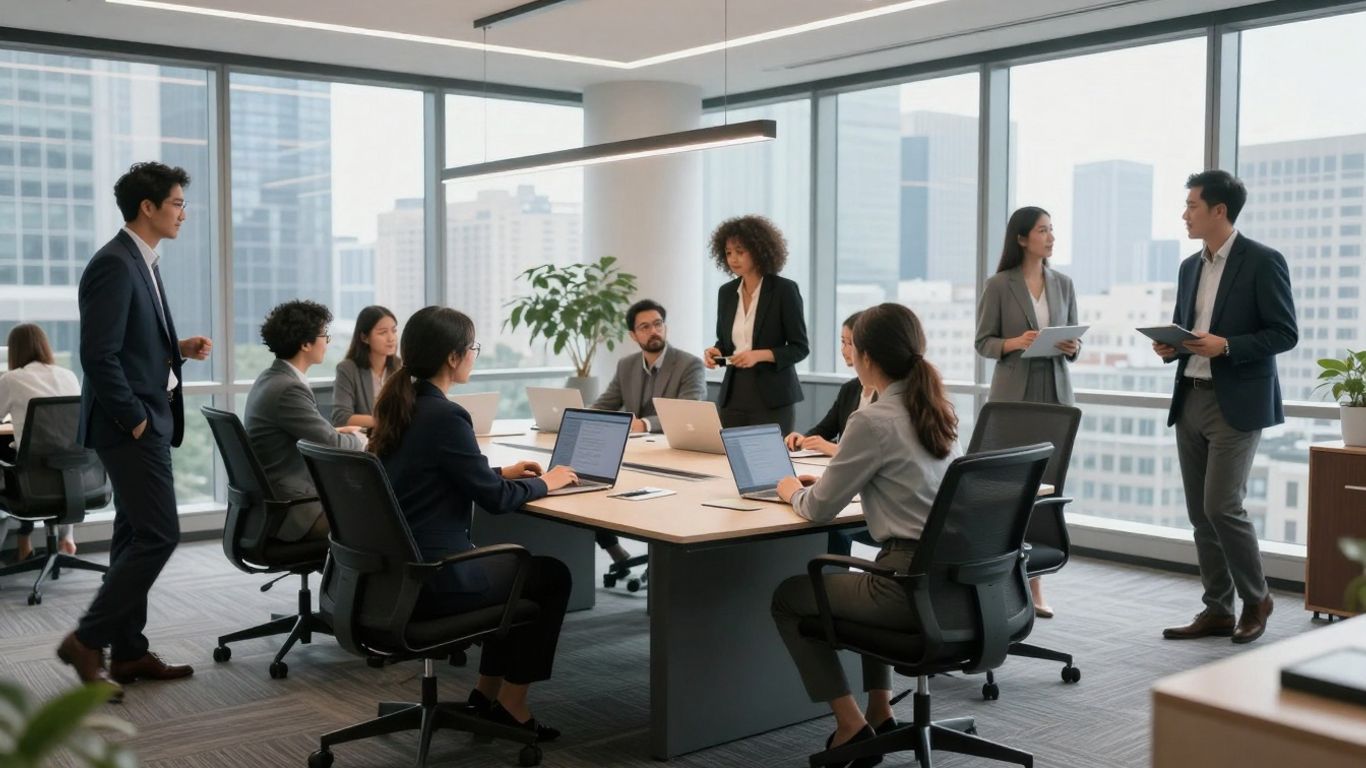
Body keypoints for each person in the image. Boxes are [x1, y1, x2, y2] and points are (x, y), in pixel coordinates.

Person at [368, 305, 578, 739]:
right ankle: (513, 705)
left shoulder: (403, 407)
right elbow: (496, 502)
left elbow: (429, 473)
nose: (474, 356)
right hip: (433, 578)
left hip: (391, 577)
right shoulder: (445, 415)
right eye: (473, 349)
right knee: (548, 575)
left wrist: (501, 472)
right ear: (453, 357)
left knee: (515, 571)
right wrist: (550, 482)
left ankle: (485, 696)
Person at [770, 303, 961, 762]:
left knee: (789, 597)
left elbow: (816, 512)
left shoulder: (872, 419)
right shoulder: (937, 410)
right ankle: (880, 711)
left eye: (851, 346)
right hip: (956, 584)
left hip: (905, 587)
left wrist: (789, 489)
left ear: (867, 357)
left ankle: (850, 725)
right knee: (875, 567)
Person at [59, 162, 212, 701]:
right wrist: (136, 416)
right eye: (176, 204)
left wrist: (178, 350)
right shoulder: (115, 264)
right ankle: (86, 640)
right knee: (159, 534)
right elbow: (97, 356)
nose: (183, 214)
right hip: (130, 424)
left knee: (132, 535)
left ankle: (126, 652)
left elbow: (128, 343)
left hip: (146, 415)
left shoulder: (140, 261)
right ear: (147, 207)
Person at [1156, 170, 1296, 645]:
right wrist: (1173, 346)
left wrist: (1228, 346)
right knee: (1200, 512)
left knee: (1223, 505)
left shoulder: (1262, 261)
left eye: (1192, 205)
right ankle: (1217, 608)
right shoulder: (1188, 267)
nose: (1185, 214)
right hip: (1190, 396)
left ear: (1219, 210)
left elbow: (1284, 332)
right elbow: (1190, 327)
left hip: (1236, 402)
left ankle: (1257, 599)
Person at [974, 205, 1081, 618]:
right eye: (1043, 230)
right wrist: (1015, 342)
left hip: (1054, 392)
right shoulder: (999, 285)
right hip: (1014, 396)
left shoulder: (1064, 283)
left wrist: (1072, 346)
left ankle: (1036, 587)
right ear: (1021, 238)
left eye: (1052, 230)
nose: (1051, 237)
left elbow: (1072, 336)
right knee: (1012, 489)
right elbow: (984, 342)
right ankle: (1010, 579)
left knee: (1045, 487)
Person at [590, 299, 706, 566]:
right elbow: (606, 403)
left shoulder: (689, 364)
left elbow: (688, 411)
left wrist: (644, 424)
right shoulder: (626, 365)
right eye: (645, 327)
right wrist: (580, 418)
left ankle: (666, 563)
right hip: (636, 452)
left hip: (674, 453)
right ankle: (612, 547)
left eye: (658, 324)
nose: (653, 331)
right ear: (633, 335)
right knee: (589, 481)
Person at [244, 301, 365, 542]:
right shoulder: (289, 389)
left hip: (273, 500)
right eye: (324, 335)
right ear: (306, 344)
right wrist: (359, 440)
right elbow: (331, 444)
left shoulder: (271, 377)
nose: (327, 342)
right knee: (376, 527)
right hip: (295, 509)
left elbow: (308, 433)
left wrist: (339, 432)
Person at [702, 215, 809, 434]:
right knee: (729, 463)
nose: (733, 259)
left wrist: (759, 355)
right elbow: (725, 343)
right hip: (734, 395)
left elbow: (799, 348)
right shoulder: (726, 293)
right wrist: (716, 352)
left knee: (769, 465)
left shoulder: (784, 290)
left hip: (772, 397)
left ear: (759, 250)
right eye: (729, 253)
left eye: (740, 252)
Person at [0, 323, 82, 560]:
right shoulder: (68, 375)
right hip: (76, 478)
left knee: (11, 456)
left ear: (14, 351)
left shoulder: (12, 378)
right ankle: (67, 536)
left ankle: (22, 539)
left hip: (34, 481)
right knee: (43, 458)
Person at [783, 312, 875, 458]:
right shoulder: (850, 389)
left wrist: (832, 448)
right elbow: (825, 429)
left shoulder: (888, 395)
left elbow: (871, 453)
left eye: (850, 343)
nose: (844, 350)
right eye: (842, 342)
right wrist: (803, 439)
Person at [331, 305, 399, 429]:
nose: (391, 338)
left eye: (394, 331)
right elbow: (341, 417)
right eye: (383, 332)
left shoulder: (401, 367)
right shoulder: (348, 369)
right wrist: (388, 421)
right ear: (364, 337)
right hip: (364, 442)